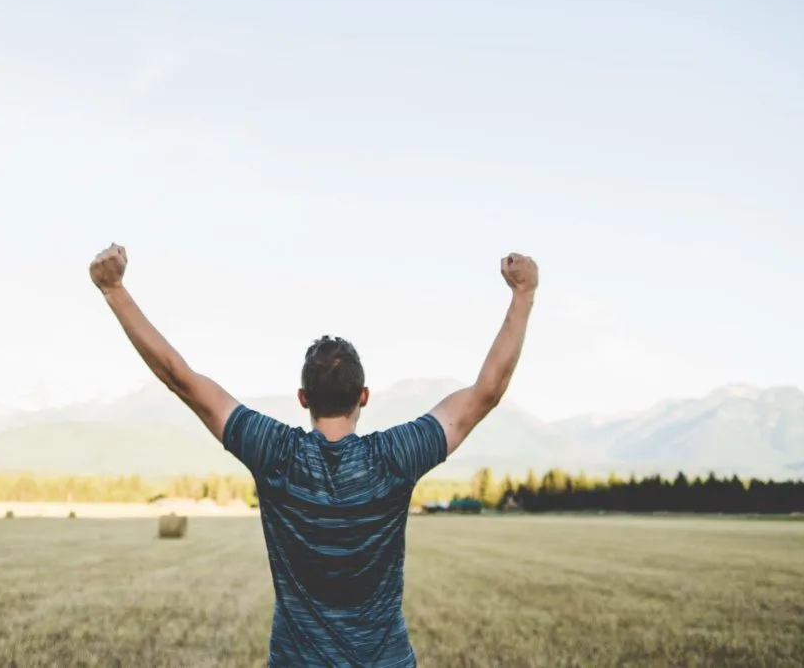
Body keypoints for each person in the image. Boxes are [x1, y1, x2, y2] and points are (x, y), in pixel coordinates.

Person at [89, 243, 538, 667]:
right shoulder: (395, 458)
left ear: (303, 397)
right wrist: (523, 294)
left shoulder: (275, 453)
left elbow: (179, 378)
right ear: (364, 395)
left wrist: (114, 290)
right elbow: (487, 392)